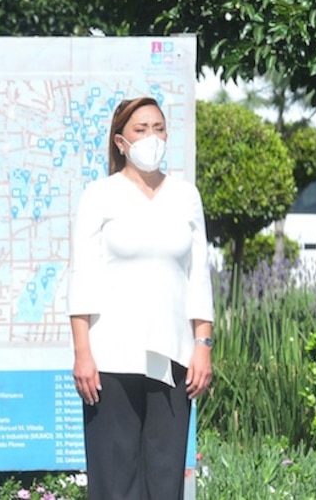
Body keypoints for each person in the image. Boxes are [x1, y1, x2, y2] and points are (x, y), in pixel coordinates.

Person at [68, 97, 214, 499]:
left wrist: (202, 344)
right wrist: (83, 351)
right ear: (120, 141)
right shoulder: (100, 195)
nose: (152, 137)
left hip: (173, 354)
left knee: (165, 476)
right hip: (111, 356)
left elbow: (198, 275)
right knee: (115, 477)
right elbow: (83, 277)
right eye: (140, 129)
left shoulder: (186, 196)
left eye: (159, 128)